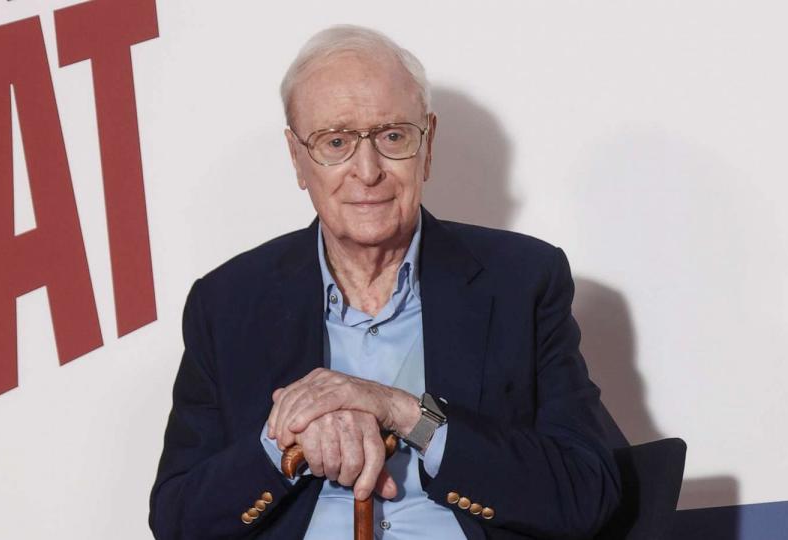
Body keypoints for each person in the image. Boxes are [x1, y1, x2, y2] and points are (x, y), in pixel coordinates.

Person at [149, 25, 620, 540]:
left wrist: (402, 411)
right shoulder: (227, 302)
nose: (367, 170)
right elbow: (178, 522)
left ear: (428, 144)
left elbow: (584, 493)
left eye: (392, 136)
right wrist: (281, 437)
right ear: (297, 159)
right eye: (336, 142)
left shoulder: (522, 281)